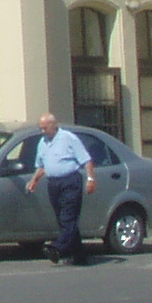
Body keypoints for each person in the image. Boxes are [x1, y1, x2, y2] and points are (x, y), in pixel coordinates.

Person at [24, 112, 96, 265]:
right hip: (53, 184)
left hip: (70, 181)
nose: (42, 131)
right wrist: (34, 181)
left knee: (68, 217)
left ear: (53, 125)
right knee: (63, 220)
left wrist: (90, 179)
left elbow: (86, 160)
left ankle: (58, 247)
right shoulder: (43, 142)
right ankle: (79, 256)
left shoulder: (69, 138)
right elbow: (42, 166)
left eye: (45, 128)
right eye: (40, 128)